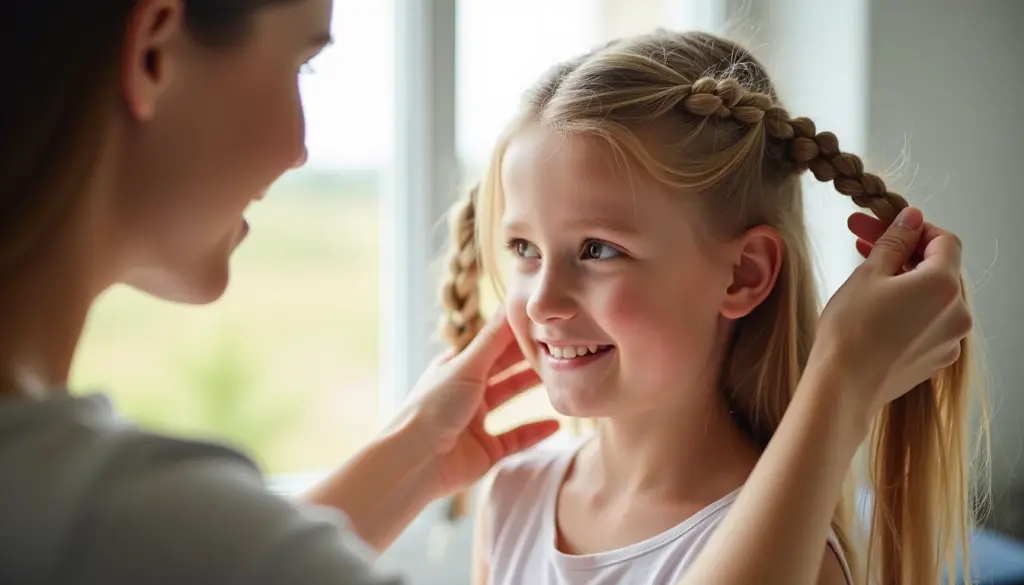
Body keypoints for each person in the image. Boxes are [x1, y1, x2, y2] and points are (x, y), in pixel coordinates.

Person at [0, 2, 975, 585]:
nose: (304, 144)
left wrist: (413, 458)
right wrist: (837, 387)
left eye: (596, 247)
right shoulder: (84, 515)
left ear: (745, 274)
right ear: (155, 47)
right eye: (303, 54)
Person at [437, 30, 985, 585]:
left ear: (744, 273)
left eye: (598, 249)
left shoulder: (798, 563)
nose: (542, 304)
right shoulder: (512, 498)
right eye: (524, 249)